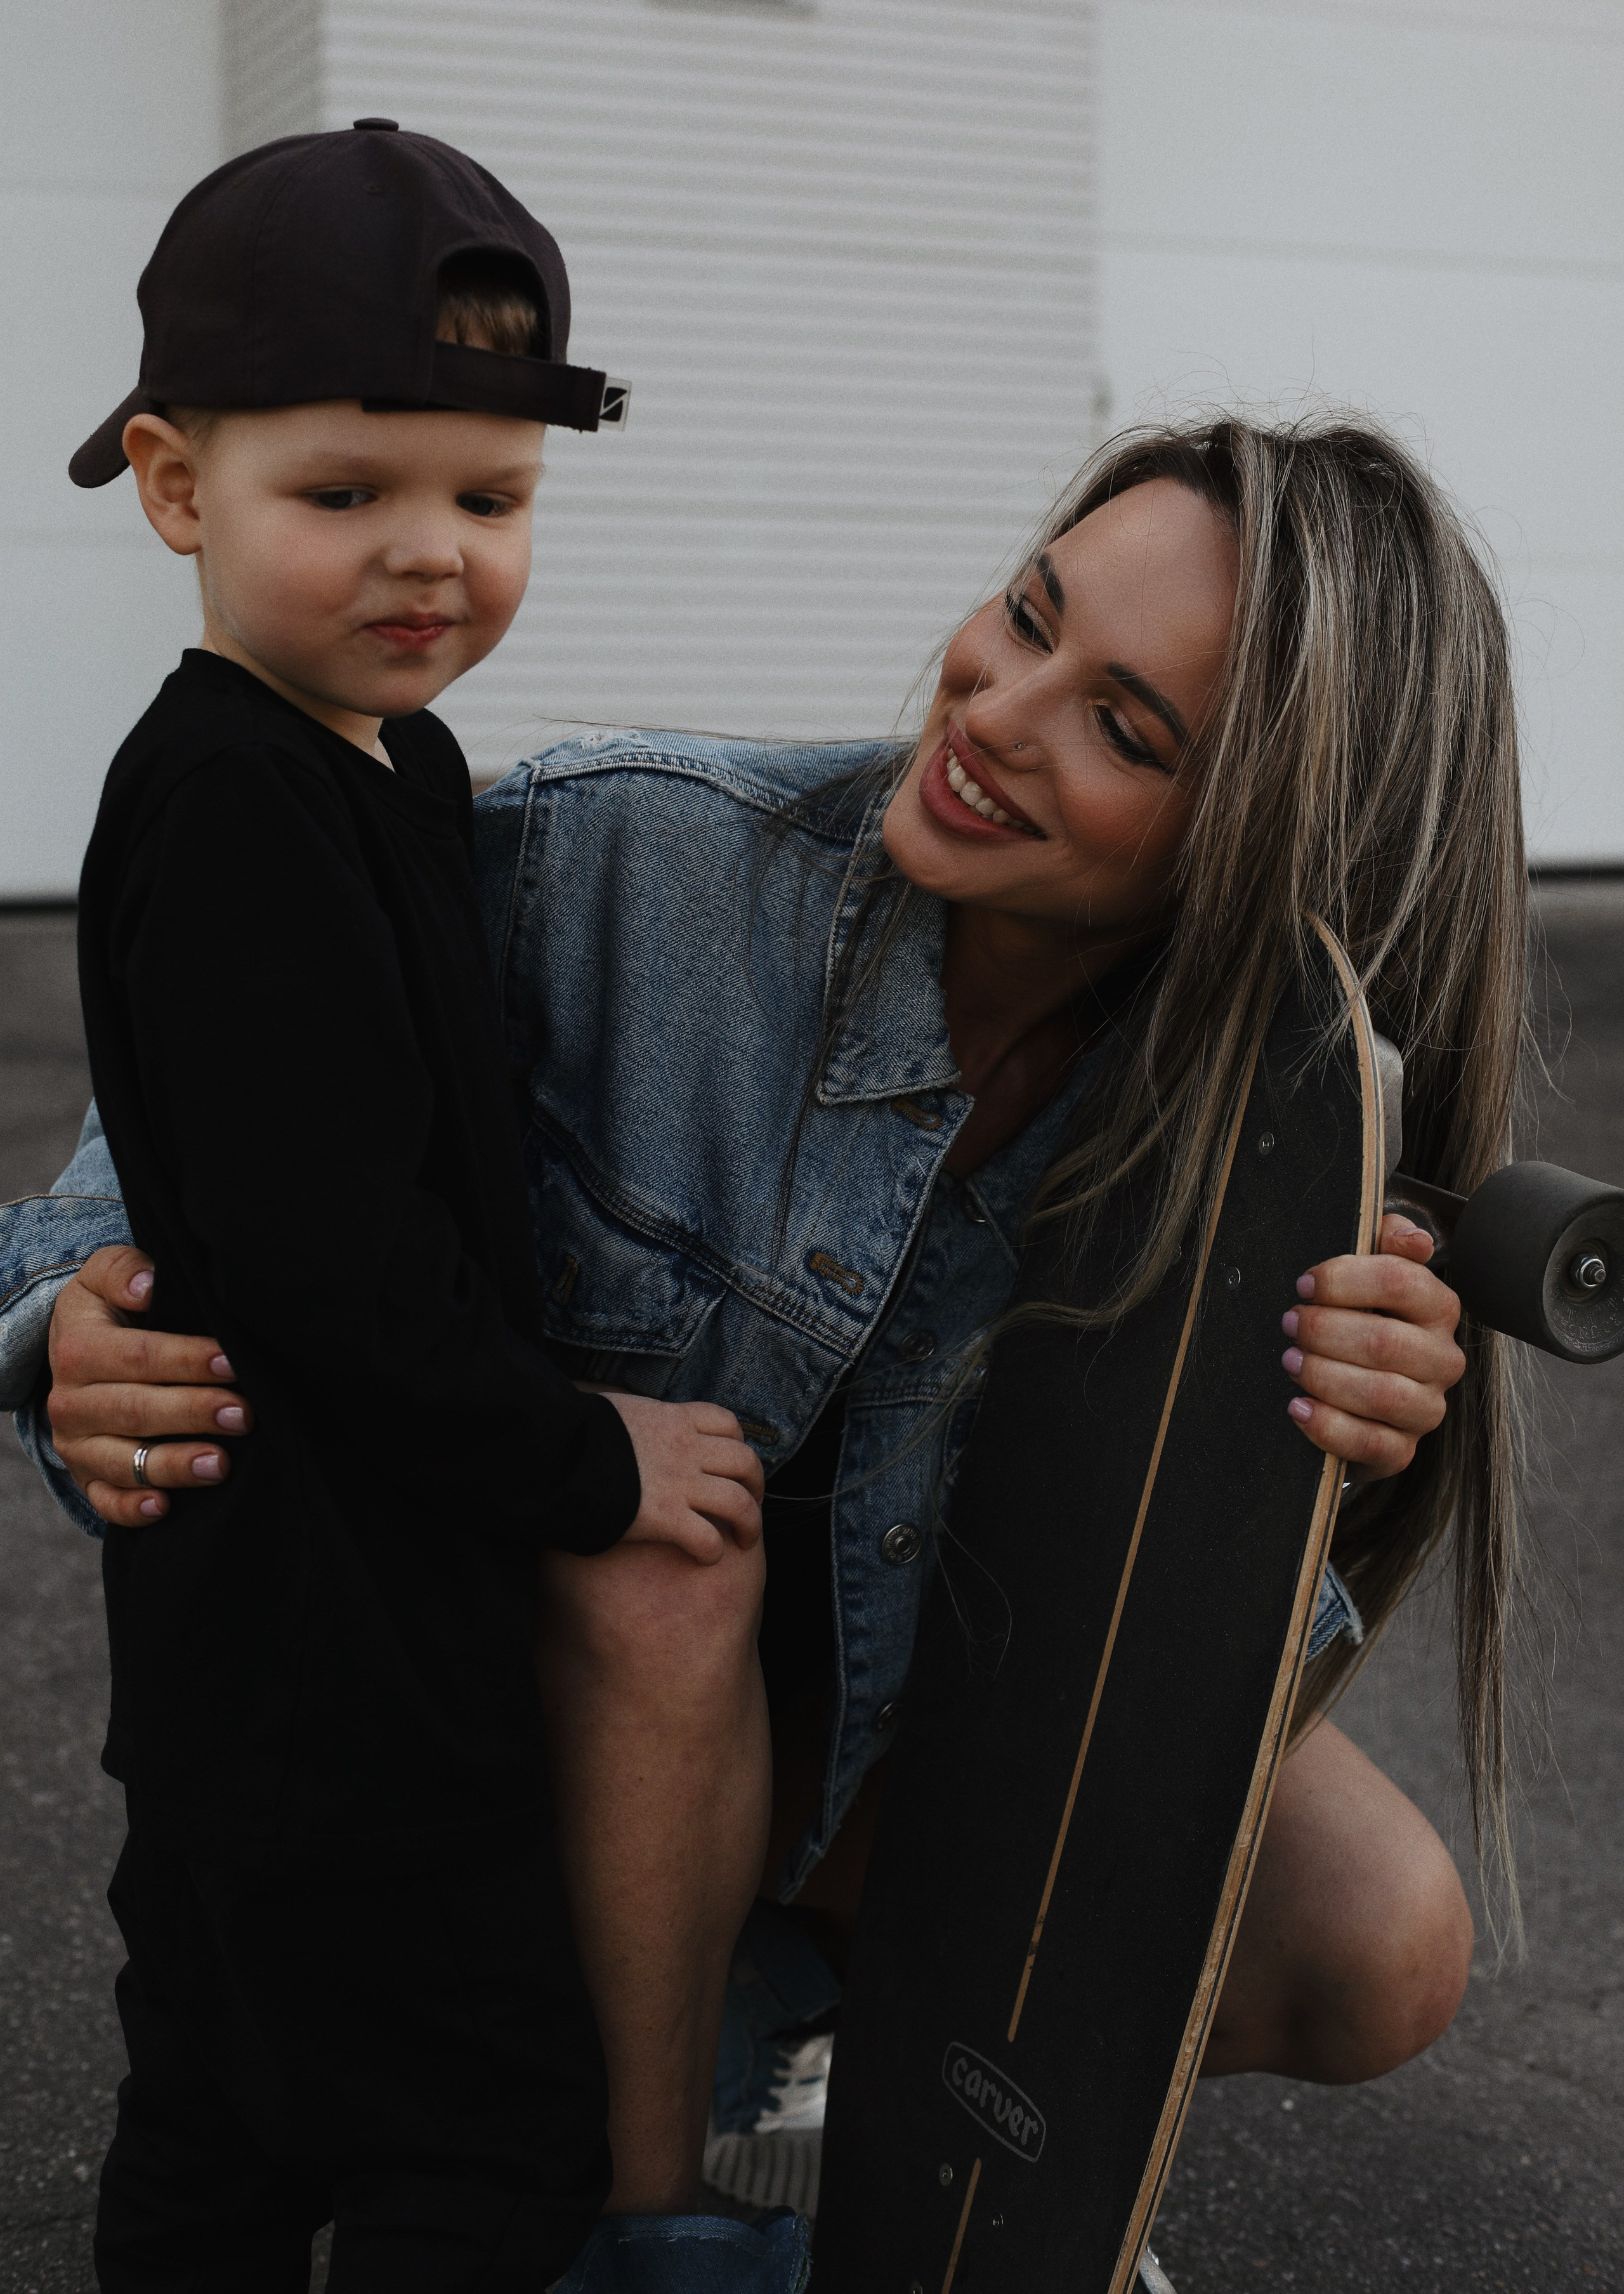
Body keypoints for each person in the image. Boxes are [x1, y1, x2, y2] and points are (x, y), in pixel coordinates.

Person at [3, 419, 1504, 2246]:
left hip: (862, 1768)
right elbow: (188, 1088)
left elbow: (1138, 1692)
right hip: (508, 1749)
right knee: (660, 1557)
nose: (995, 709)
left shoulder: (1271, 1154)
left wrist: (1314, 1451)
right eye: (1026, 615)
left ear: (1262, 850)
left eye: (1124, 727)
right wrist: (75, 1316)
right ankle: (651, 2213)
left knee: (1383, 1929)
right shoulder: (632, 866)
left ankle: (817, 2067)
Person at [38, 120, 803, 2294]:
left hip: (309, 1613)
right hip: (317, 1634)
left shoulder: (398, 765)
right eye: (347, 495)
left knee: (232, 2082)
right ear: (183, 491)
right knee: (464, 2113)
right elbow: (322, 1264)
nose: (430, 558)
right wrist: (587, 1457)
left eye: (493, 497)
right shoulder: (229, 805)